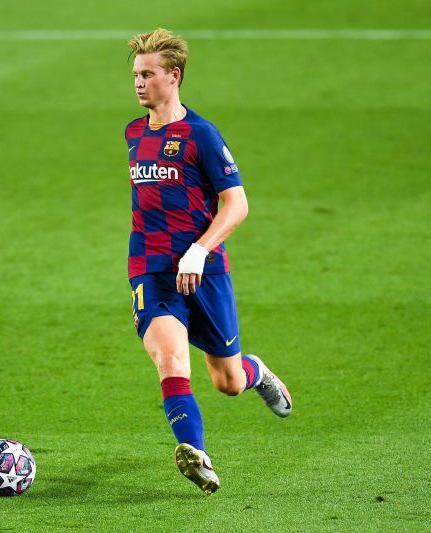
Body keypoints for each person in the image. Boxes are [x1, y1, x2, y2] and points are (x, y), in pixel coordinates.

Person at [125, 28, 293, 495]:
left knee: (229, 381)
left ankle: (256, 372)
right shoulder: (133, 133)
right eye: (135, 75)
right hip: (150, 269)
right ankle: (195, 452)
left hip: (204, 271)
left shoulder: (200, 134)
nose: (138, 83)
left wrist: (199, 250)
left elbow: (236, 203)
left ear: (173, 76)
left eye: (148, 74)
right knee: (169, 357)